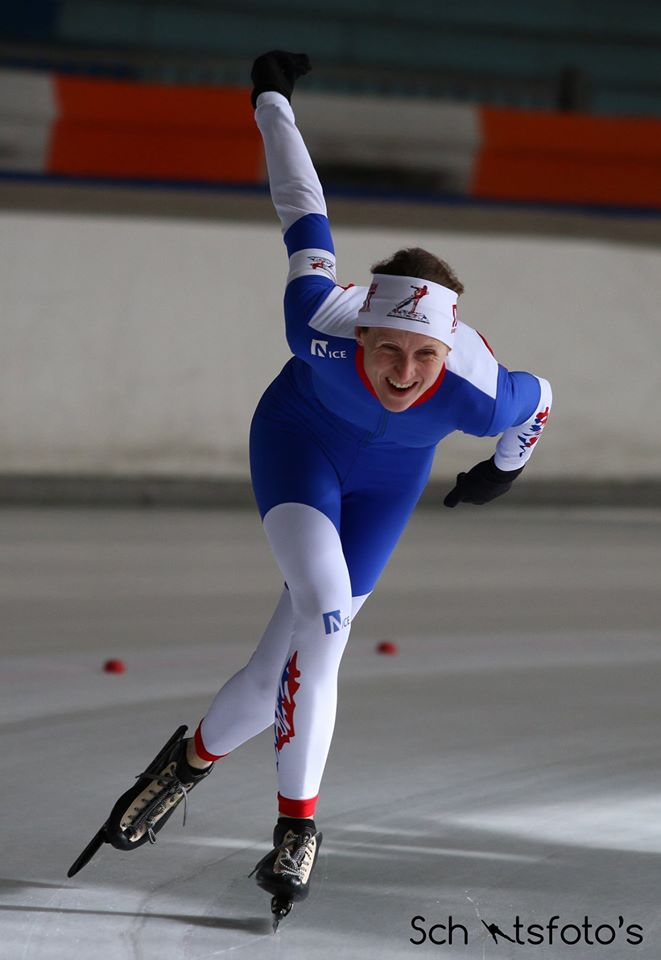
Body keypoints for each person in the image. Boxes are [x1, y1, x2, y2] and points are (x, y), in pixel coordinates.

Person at [80, 52, 552, 916]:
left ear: (448, 354)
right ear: (360, 327)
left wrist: (499, 470)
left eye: (422, 358)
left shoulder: (481, 392)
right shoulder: (319, 320)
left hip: (385, 486)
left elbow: (541, 401)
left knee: (278, 671)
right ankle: (297, 829)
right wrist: (271, 99)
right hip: (297, 446)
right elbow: (301, 204)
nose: (403, 372)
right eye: (386, 349)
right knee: (325, 614)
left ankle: (184, 764)